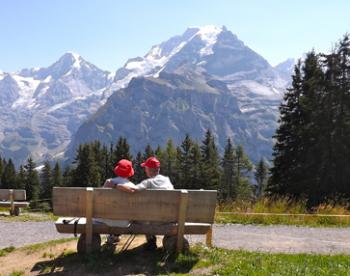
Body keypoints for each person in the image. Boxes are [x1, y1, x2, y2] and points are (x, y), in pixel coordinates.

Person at [117, 156, 174, 250]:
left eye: (146, 168)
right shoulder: (167, 180)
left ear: (150, 170)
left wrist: (116, 185)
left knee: (141, 215)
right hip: (169, 218)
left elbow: (132, 191)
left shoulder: (148, 183)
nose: (145, 170)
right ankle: (151, 241)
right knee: (148, 214)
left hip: (153, 220)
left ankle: (151, 241)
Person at [99, 159, 137, 245]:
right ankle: (115, 236)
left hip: (106, 220)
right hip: (124, 222)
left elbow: (100, 201)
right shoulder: (132, 186)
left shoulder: (108, 182)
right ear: (129, 173)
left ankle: (113, 236)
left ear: (117, 171)